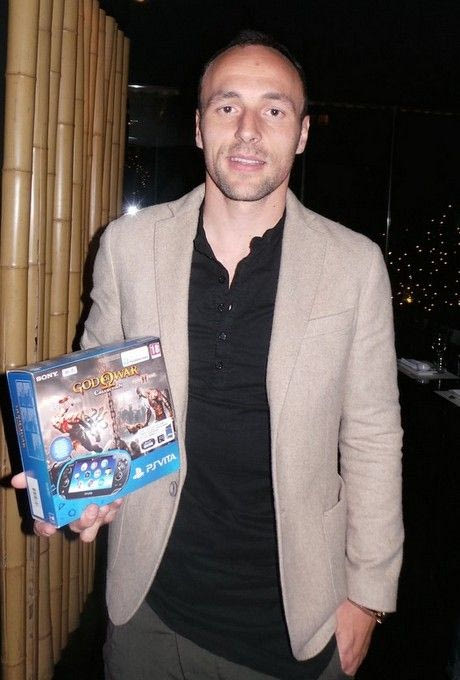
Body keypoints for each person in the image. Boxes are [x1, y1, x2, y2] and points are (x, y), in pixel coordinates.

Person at [12, 31, 403, 680]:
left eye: (274, 109)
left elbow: (372, 435)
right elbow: (97, 400)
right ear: (198, 127)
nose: (248, 129)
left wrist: (369, 595)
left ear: (302, 134)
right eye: (227, 106)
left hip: (298, 622)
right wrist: (78, 487)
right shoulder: (129, 247)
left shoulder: (353, 264)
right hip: (152, 612)